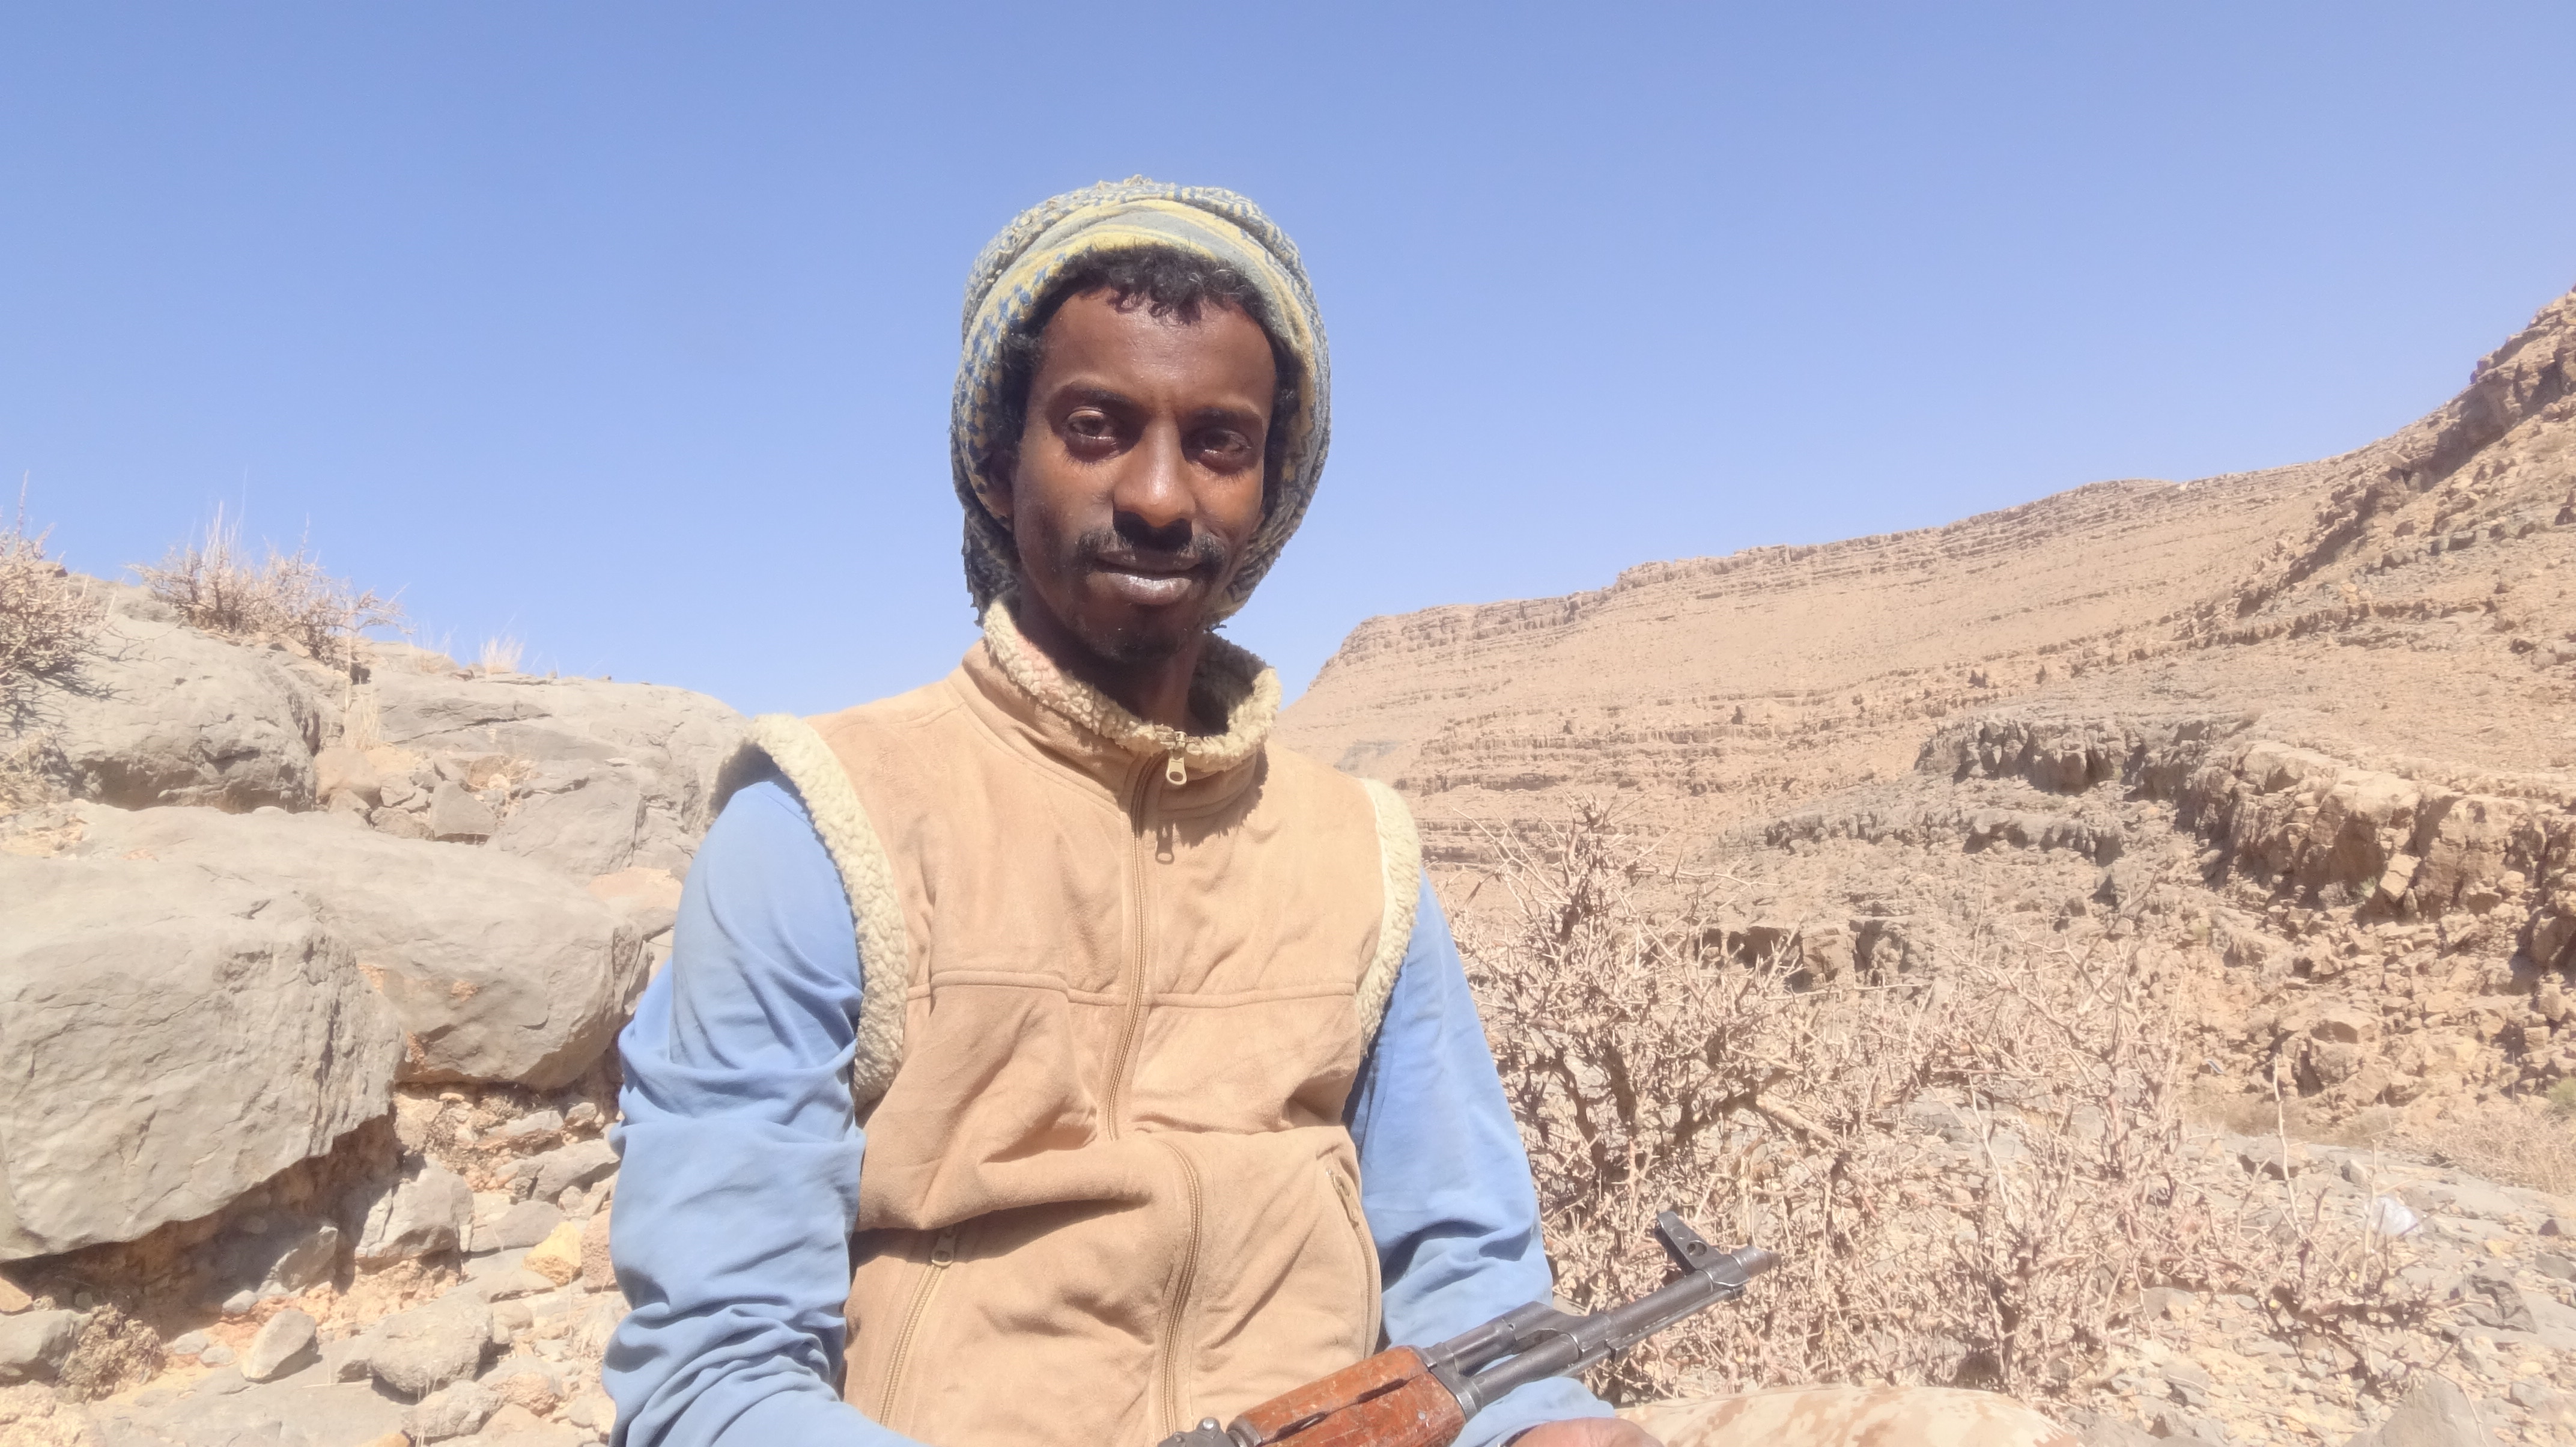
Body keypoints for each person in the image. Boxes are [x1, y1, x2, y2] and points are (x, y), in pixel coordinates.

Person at [602, 178, 2074, 1447]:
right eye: (1097, 426)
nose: (1160, 494)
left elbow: (1468, 1280)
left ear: (1271, 486)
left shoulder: (1361, 856)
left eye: (1218, 441)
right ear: (999, 460)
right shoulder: (822, 825)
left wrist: (1539, 1419)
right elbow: (713, 1375)